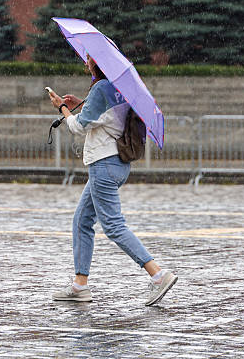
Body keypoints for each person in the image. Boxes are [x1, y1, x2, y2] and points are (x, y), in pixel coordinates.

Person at [47, 55, 177, 306]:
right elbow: (110, 115)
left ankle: (158, 275)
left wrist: (62, 108)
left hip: (104, 164)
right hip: (118, 164)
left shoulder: (101, 88)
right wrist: (83, 102)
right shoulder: (118, 87)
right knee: (82, 220)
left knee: (113, 225)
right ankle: (79, 286)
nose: (85, 64)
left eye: (88, 60)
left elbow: (79, 126)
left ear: (97, 62)